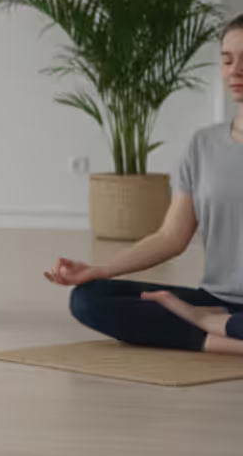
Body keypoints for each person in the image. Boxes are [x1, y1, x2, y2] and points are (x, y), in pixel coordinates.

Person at [45, 17, 243, 355]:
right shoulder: (202, 145)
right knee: (89, 298)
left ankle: (209, 329)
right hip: (217, 300)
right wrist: (99, 269)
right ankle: (219, 333)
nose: (234, 70)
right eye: (226, 59)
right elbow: (171, 237)